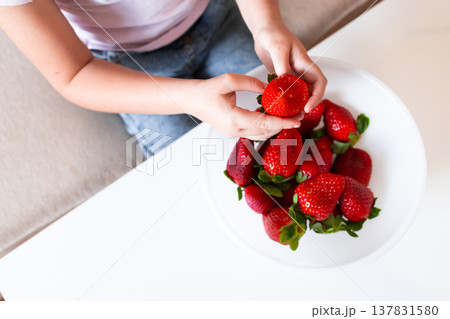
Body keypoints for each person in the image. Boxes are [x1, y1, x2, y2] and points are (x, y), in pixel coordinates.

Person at [0, 0, 327, 156]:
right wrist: (186, 98)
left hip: (217, 16)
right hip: (126, 67)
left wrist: (266, 21)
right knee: (188, 168)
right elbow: (74, 73)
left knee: (295, 137)